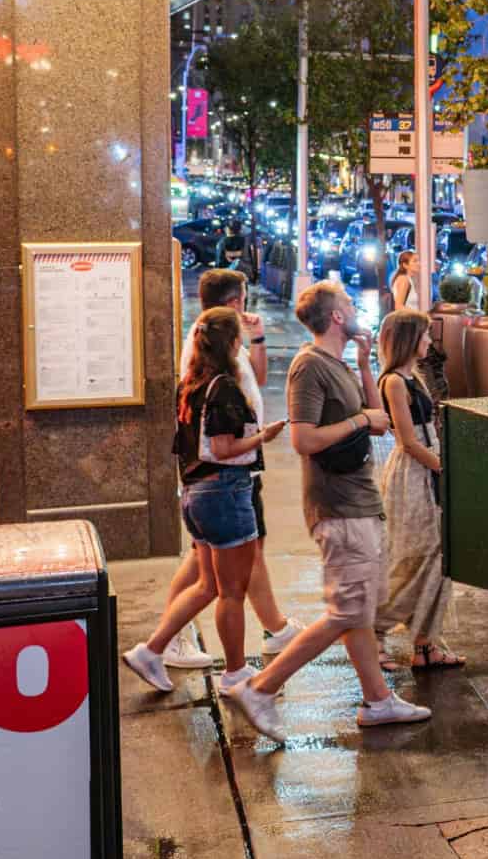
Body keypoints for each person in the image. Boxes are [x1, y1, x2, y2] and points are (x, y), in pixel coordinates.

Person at [223, 282, 431, 737]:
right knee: (344, 612)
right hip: (338, 507)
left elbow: (379, 426)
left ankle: (378, 701)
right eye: (350, 304)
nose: (356, 308)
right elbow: (303, 439)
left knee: (357, 611)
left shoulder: (339, 363)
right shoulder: (308, 367)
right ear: (336, 317)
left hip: (359, 500)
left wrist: (362, 367)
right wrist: (357, 420)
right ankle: (260, 688)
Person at [122, 308, 288, 694]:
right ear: (232, 342)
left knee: (207, 586)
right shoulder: (224, 386)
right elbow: (223, 447)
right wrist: (264, 437)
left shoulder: (190, 385)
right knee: (232, 590)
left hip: (196, 494)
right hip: (225, 493)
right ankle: (235, 671)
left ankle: (152, 649)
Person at [154, 270, 305, 674]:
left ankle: (273, 627)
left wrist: (256, 339)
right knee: (214, 577)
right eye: (243, 300)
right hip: (221, 477)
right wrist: (259, 439)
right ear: (234, 302)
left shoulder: (220, 340)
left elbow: (257, 377)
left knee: (242, 554)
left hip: (226, 478)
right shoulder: (209, 351)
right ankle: (172, 640)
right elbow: (219, 440)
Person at [376, 310, 462, 669]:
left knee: (438, 557)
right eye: (425, 336)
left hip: (428, 467)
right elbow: (409, 441)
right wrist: (444, 467)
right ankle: (374, 628)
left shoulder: (413, 377)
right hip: (415, 473)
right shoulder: (395, 382)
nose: (430, 341)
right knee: (417, 555)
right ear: (410, 339)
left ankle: (425, 644)